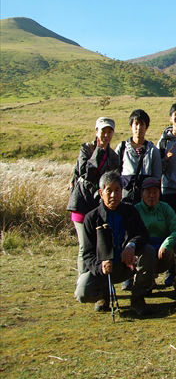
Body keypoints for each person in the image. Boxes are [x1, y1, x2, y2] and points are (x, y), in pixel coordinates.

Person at [74, 171, 155, 316]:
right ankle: (103, 294)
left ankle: (137, 298)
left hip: (127, 265)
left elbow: (143, 235)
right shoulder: (91, 219)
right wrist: (100, 267)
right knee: (82, 293)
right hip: (104, 270)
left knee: (148, 250)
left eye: (117, 190)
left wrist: (131, 245)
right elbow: (87, 253)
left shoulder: (130, 211)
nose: (113, 195)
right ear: (101, 192)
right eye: (109, 191)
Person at [67, 117, 120, 276]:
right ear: (96, 132)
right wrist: (99, 150)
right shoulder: (87, 149)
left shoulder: (113, 155)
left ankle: (96, 279)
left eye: (109, 132)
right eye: (103, 131)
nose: (106, 135)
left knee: (99, 244)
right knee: (85, 246)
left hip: (98, 207)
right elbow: (87, 173)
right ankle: (83, 280)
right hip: (82, 204)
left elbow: (112, 179)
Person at [134, 177, 176, 293]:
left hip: (164, 254)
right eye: (148, 192)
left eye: (155, 192)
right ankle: (143, 286)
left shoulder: (165, 208)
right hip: (143, 256)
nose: (152, 195)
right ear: (142, 193)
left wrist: (167, 244)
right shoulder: (135, 210)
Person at [115, 109, 162, 205]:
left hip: (146, 200)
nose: (139, 128)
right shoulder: (122, 148)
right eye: (136, 124)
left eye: (142, 124)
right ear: (130, 126)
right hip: (126, 198)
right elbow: (115, 173)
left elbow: (157, 177)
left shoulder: (153, 151)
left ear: (146, 127)